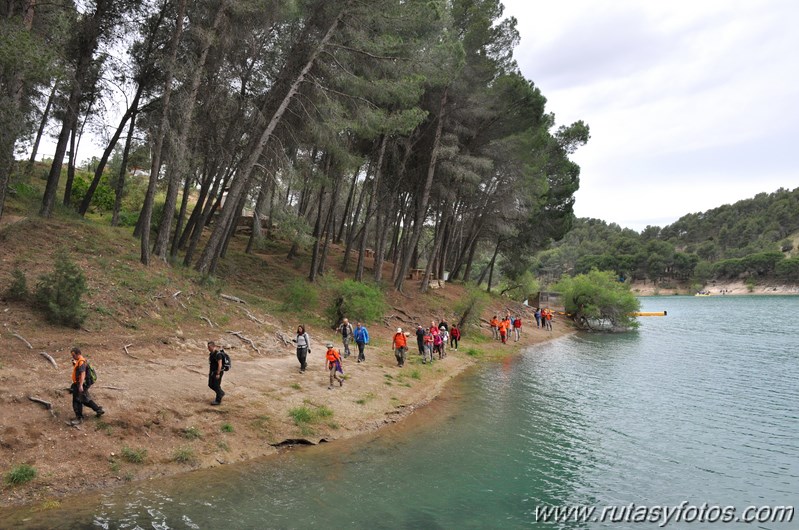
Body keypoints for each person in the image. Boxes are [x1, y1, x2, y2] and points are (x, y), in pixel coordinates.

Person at [69, 347, 104, 424]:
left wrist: (80, 385)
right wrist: (74, 364)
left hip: (81, 383)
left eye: (74, 355)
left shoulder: (81, 362)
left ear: (78, 354)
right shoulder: (81, 360)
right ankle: (98, 409)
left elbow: (83, 373)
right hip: (83, 383)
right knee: (84, 399)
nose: (73, 357)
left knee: (77, 400)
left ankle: (79, 418)